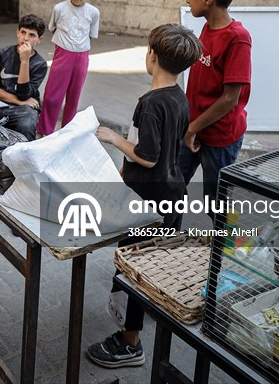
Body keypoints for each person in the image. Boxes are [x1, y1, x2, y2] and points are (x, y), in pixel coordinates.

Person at [87, 23, 202, 369]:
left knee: (134, 268)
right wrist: (122, 175)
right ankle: (147, 309)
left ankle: (129, 343)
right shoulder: (178, 97)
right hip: (170, 191)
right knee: (153, 264)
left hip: (149, 201)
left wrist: (112, 138)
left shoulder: (150, 103)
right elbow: (161, 153)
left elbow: (147, 154)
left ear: (151, 55)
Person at [178, 0, 252, 203]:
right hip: (194, 128)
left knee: (216, 205)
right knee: (171, 189)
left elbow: (230, 99)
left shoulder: (238, 38)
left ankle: (223, 241)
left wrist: (193, 128)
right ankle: (168, 239)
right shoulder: (207, 28)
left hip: (219, 137)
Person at [36, 0, 100, 136]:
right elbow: (52, 27)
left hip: (82, 56)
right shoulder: (59, 8)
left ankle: (66, 133)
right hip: (63, 54)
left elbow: (91, 35)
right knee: (52, 96)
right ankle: (45, 131)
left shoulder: (93, 12)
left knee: (73, 97)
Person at [0, 14, 48, 141]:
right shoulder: (3, 53)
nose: (25, 38)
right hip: (0, 103)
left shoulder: (40, 64)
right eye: (23, 32)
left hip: (23, 109)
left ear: (39, 39)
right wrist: (18, 101)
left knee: (26, 125)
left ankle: (23, 158)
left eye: (32, 35)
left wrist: (25, 61)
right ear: (17, 33)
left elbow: (24, 94)